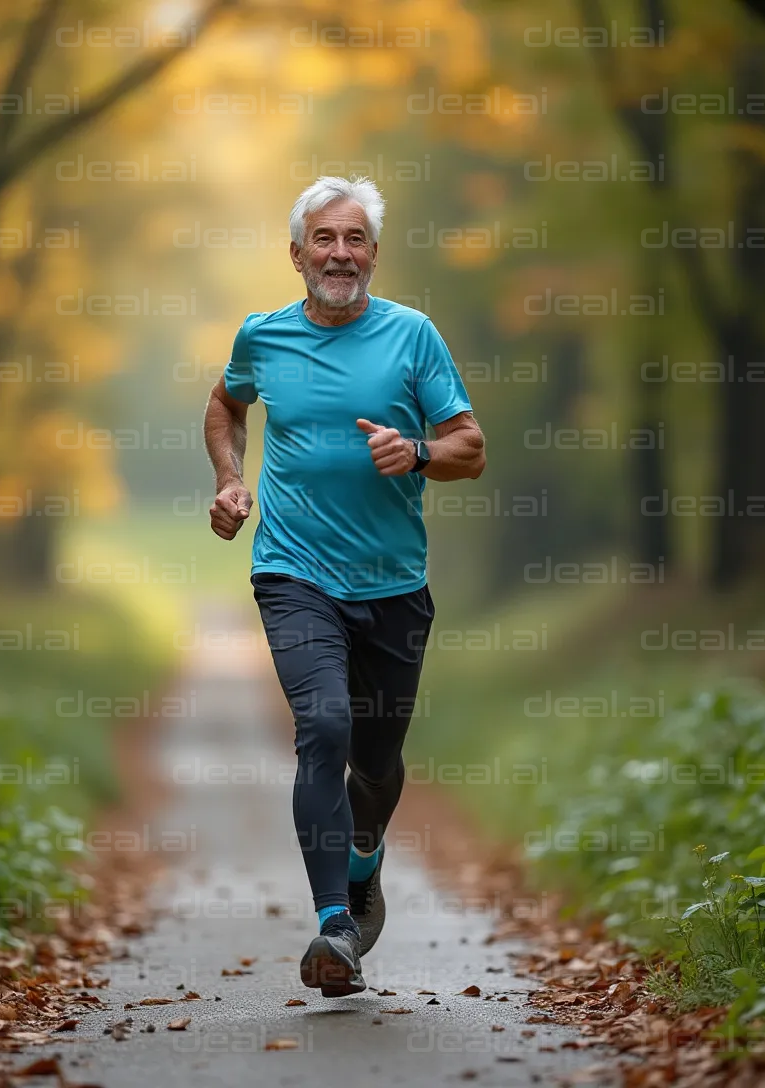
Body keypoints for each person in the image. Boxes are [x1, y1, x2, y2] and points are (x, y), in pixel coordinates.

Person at [203, 175, 486, 997]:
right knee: (322, 727)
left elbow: (470, 445)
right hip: (293, 571)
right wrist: (230, 479)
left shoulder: (413, 336)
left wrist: (421, 453)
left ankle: (365, 858)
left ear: (373, 253)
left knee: (378, 761)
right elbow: (226, 404)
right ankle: (335, 926)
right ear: (296, 254)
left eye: (354, 238)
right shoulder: (263, 337)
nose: (340, 253)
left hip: (394, 582)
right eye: (324, 238)